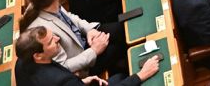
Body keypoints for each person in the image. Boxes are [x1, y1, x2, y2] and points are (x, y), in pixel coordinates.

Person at [21, 0, 123, 77]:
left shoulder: (43, 3)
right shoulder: (44, 33)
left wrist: (89, 30)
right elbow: (63, 67)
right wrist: (94, 51)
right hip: (83, 63)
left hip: (85, 38)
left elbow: (69, 17)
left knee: (122, 29)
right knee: (118, 46)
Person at [14, 25, 156, 86]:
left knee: (118, 77)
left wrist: (82, 82)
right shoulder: (61, 81)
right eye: (51, 41)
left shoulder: (21, 63)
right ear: (37, 55)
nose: (58, 39)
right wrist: (141, 75)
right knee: (123, 78)